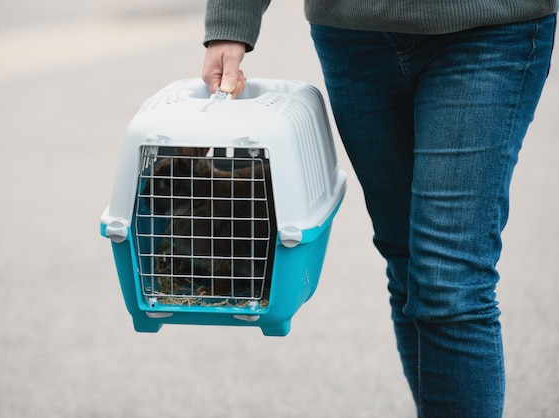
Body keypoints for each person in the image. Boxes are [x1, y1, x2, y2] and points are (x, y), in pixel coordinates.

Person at [201, 1, 557, 417]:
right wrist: (231, 19)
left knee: (448, 281)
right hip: (354, 32)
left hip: (488, 28)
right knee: (407, 263)